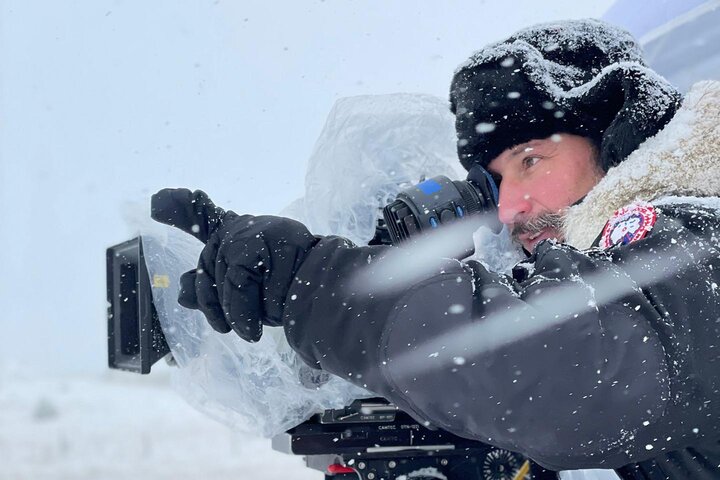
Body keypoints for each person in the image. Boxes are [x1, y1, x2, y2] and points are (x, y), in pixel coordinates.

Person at [151, 19, 720, 479]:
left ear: (619, 132)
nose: (509, 207)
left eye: (529, 159)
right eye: (497, 183)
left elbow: (570, 381)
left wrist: (323, 285)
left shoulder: (700, 241)